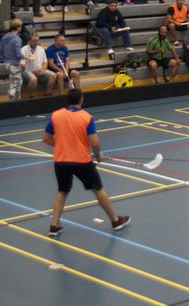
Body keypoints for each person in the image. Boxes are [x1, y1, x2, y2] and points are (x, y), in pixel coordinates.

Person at [42, 88, 130, 238]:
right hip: (81, 161)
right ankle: (115, 221)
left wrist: (61, 146)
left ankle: (54, 226)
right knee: (98, 189)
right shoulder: (86, 117)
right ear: (81, 99)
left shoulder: (56, 115)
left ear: (68, 99)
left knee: (62, 191)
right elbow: (95, 142)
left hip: (61, 161)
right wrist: (98, 155)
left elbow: (46, 138)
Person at [21, 33, 61, 97]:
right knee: (34, 79)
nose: (36, 43)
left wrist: (42, 70)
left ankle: (47, 93)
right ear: (29, 40)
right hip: (27, 70)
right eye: (34, 41)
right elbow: (22, 66)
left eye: (37, 41)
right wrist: (34, 71)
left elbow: (45, 62)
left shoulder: (41, 49)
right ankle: (31, 97)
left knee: (53, 75)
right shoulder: (24, 49)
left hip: (39, 69)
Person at [0, 18, 25, 101]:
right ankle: (11, 102)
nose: (21, 28)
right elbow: (18, 55)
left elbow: (2, 51)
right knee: (16, 84)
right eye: (21, 26)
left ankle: (14, 101)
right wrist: (27, 56)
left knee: (13, 83)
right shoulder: (17, 39)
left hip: (7, 64)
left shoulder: (4, 37)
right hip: (14, 65)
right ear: (18, 27)